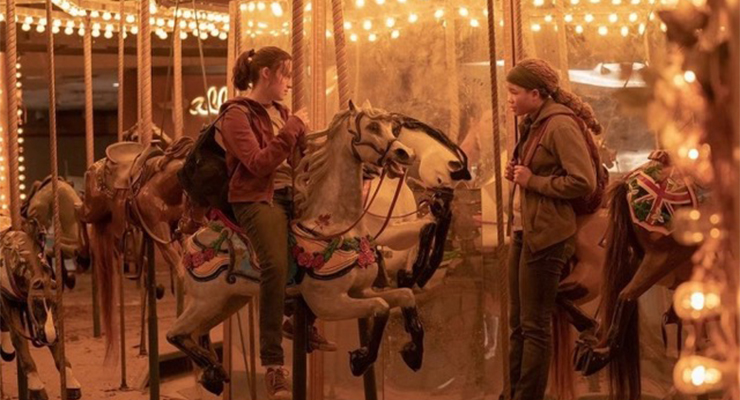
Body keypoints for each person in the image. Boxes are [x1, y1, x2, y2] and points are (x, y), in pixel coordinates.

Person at [218, 46, 332, 400]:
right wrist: (293, 128)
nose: (288, 83)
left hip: (291, 195)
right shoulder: (236, 114)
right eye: (284, 74)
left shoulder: (283, 112)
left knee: (329, 246)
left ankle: (299, 319)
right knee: (275, 263)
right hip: (255, 198)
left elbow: (300, 159)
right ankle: (273, 365)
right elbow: (257, 163)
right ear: (266, 74)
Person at [504, 58, 601, 400]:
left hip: (546, 236)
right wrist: (519, 171)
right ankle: (513, 391)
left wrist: (535, 181)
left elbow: (583, 181)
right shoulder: (534, 124)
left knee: (534, 326)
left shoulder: (559, 125)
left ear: (536, 93)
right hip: (526, 231)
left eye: (515, 92)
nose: (510, 99)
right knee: (517, 324)